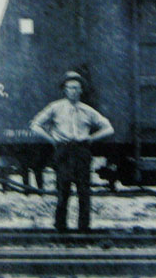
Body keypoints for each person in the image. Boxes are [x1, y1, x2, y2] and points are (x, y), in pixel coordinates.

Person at [30, 70, 114, 232]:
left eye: (76, 88)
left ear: (81, 90)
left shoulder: (87, 110)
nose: (73, 91)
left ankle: (84, 228)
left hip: (82, 151)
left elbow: (109, 128)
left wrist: (91, 138)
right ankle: (60, 227)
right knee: (63, 191)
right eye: (70, 88)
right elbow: (35, 125)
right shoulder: (55, 108)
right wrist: (52, 140)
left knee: (84, 191)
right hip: (64, 152)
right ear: (65, 90)